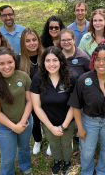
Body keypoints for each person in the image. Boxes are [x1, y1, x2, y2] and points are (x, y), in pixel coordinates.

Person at [68, 40, 105, 175]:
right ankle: (87, 171)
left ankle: (103, 171)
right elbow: (76, 106)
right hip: (89, 121)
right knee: (87, 151)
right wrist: (80, 128)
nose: (101, 63)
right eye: (98, 59)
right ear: (93, 61)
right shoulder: (83, 80)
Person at [0, 47, 33, 175]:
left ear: (14, 61)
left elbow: (30, 101)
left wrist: (22, 122)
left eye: (10, 62)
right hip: (4, 126)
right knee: (8, 158)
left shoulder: (23, 76)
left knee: (24, 148)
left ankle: (25, 167)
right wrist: (13, 127)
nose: (7, 66)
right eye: (2, 63)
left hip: (25, 121)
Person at [30, 46, 76, 175]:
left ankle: (67, 161)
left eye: (55, 60)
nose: (51, 64)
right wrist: (51, 127)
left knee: (67, 144)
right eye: (47, 60)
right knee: (54, 144)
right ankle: (57, 160)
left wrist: (64, 126)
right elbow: (37, 106)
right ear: (43, 62)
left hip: (67, 122)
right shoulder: (37, 79)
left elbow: (74, 104)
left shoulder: (71, 77)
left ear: (61, 61)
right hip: (48, 122)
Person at [17, 28, 44, 155]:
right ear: (23, 43)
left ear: (38, 40)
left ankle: (50, 140)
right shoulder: (18, 60)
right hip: (29, 97)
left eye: (34, 40)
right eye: (27, 41)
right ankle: (38, 140)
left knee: (48, 117)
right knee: (34, 121)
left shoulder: (45, 56)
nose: (32, 43)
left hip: (46, 95)